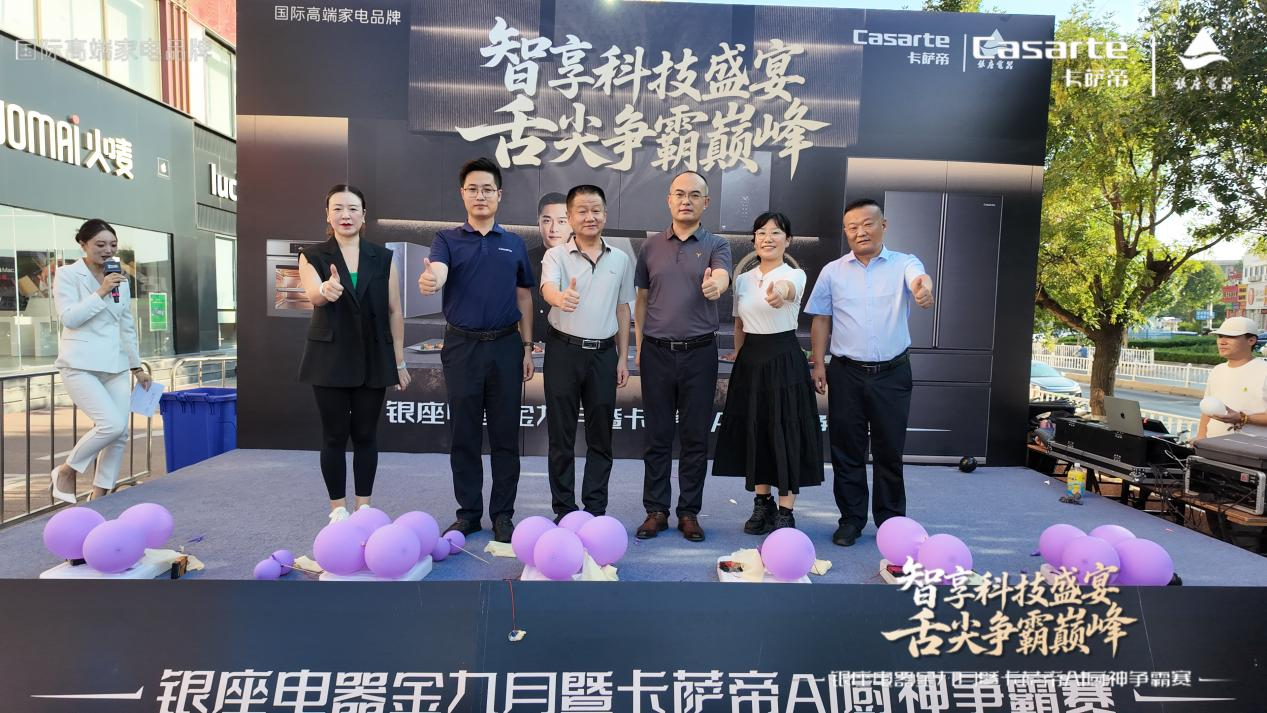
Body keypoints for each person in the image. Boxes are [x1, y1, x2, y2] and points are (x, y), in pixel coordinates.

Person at [418, 158, 536, 542]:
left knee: (505, 436)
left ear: (499, 195)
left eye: (487, 189)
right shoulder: (446, 240)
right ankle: (468, 513)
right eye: (473, 189)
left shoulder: (514, 243)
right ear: (462, 194)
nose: (480, 195)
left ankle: (502, 515)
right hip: (462, 347)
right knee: (464, 435)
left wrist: (527, 347)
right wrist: (432, 278)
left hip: (505, 346)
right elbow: (438, 270)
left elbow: (524, 296)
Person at [805, 198, 934, 547]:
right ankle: (851, 519)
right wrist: (819, 363)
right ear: (846, 232)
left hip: (892, 373)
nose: (860, 232)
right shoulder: (832, 271)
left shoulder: (904, 263)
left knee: (889, 451)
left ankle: (891, 522)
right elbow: (821, 319)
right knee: (846, 450)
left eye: (867, 224)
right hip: (846, 372)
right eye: (852, 227)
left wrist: (923, 289)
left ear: (883, 225)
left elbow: (920, 280)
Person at [298, 185, 411, 523]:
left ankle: (364, 507)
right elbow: (313, 294)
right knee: (334, 436)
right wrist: (326, 289)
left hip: (373, 358)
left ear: (364, 215)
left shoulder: (383, 257)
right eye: (337, 208)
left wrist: (399, 360)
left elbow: (394, 310)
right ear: (327, 215)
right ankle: (337, 509)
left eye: (352, 208)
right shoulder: (313, 255)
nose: (345, 215)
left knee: (365, 435)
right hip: (329, 360)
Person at [633, 170, 732, 542]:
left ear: (706, 202)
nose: (686, 200)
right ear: (669, 200)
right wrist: (640, 346)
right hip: (656, 352)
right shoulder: (650, 247)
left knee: (695, 438)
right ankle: (656, 511)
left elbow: (721, 277)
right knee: (657, 437)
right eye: (679, 194)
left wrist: (716, 285)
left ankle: (689, 512)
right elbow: (642, 299)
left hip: (699, 354)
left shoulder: (717, 244)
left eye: (694, 195)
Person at [712, 212, 822, 533]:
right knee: (756, 429)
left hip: (784, 359)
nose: (767, 238)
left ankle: (786, 509)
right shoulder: (743, 279)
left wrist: (780, 293)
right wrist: (739, 355)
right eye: (761, 233)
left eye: (776, 233)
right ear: (754, 240)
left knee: (786, 430)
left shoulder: (794, 274)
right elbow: (739, 323)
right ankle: (762, 503)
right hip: (750, 361)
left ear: (788, 240)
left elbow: (788, 290)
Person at [540, 185, 634, 521]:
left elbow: (623, 308)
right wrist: (559, 298)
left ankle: (595, 510)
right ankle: (564, 510)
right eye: (582, 211)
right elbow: (548, 288)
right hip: (563, 352)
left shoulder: (620, 259)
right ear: (570, 217)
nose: (589, 217)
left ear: (605, 214)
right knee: (561, 437)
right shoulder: (556, 256)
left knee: (601, 437)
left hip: (603, 355)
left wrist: (622, 358)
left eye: (596, 210)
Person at [49, 219, 152, 504]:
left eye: (113, 245)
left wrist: (136, 367)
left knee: (120, 434)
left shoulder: (120, 279)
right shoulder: (68, 275)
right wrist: (101, 291)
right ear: (83, 244)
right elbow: (70, 318)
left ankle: (100, 497)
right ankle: (67, 471)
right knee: (111, 425)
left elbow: (126, 326)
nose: (108, 250)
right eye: (100, 244)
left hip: (116, 366)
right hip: (80, 365)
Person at [1196, 316, 1267, 439]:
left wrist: (1243, 418)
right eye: (1220, 336)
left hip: (1252, 448)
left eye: (1230, 337)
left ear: (1251, 340)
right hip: (1212, 445)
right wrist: (1200, 438)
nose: (1222, 342)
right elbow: (1207, 411)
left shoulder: (1263, 370)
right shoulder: (1218, 370)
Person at [530, 193, 571, 350]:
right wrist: (525, 343)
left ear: (572, 223)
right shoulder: (523, 260)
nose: (554, 229)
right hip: (530, 349)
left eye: (561, 221)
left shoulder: (583, 262)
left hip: (568, 349)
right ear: (538, 222)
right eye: (547, 221)